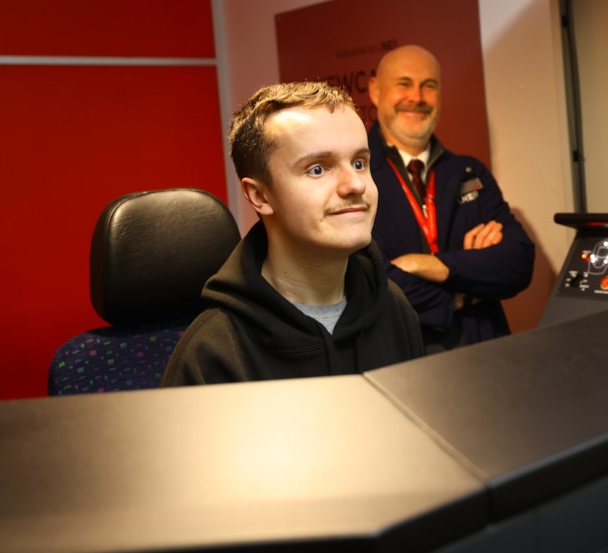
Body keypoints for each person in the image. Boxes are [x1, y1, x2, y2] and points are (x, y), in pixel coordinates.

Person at [161, 81, 424, 386]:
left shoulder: (393, 309)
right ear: (260, 196)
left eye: (359, 163)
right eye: (317, 169)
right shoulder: (212, 352)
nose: (355, 184)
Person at [367, 44, 534, 351]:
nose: (417, 98)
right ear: (375, 91)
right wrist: (466, 294)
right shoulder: (354, 177)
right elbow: (373, 287)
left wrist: (433, 265)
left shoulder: (469, 172)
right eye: (403, 84)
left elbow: (519, 261)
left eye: (428, 86)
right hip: (400, 361)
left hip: (484, 353)